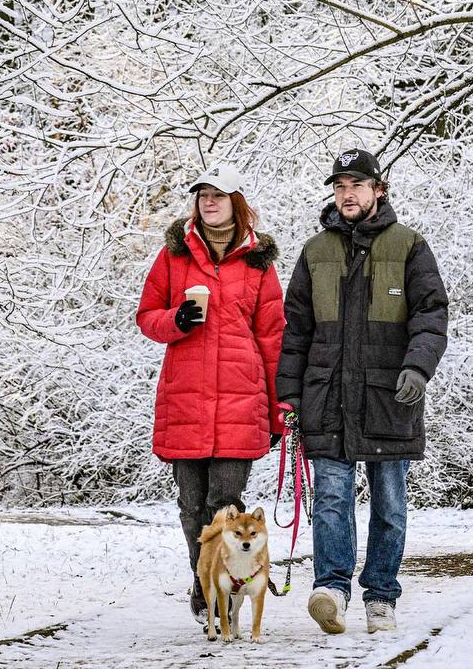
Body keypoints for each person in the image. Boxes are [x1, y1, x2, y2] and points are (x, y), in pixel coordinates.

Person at [276, 148, 448, 634]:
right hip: (326, 396)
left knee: (389, 502)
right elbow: (296, 332)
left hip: (389, 397)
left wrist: (418, 368)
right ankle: (330, 589)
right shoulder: (315, 251)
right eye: (339, 186)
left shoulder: (409, 246)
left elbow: (431, 316)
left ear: (378, 190)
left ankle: (381, 596)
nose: (347, 194)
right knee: (331, 497)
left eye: (357, 185)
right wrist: (288, 395)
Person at [136, 164, 286, 624]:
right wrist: (175, 321)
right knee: (190, 507)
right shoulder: (173, 257)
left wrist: (279, 411)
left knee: (224, 504)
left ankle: (224, 593)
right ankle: (204, 588)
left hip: (241, 404)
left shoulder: (259, 263)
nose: (209, 202)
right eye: (202, 195)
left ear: (236, 203)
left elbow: (273, 339)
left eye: (218, 195)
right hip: (186, 401)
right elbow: (147, 316)